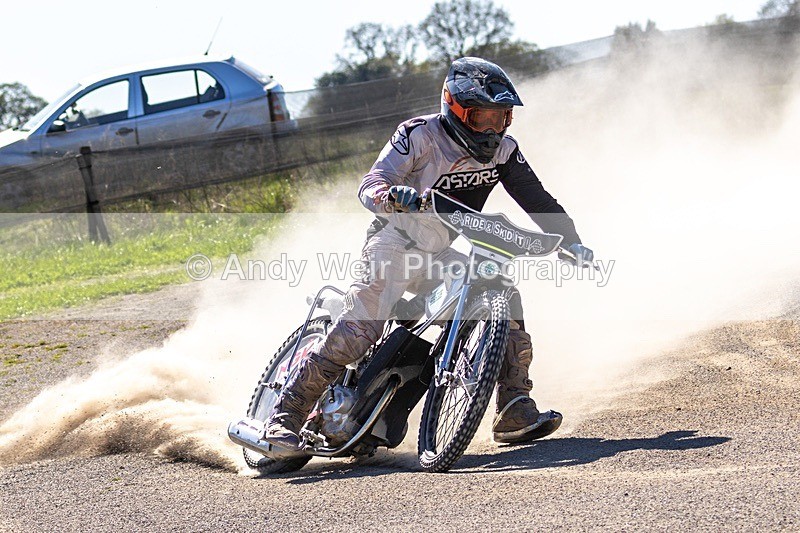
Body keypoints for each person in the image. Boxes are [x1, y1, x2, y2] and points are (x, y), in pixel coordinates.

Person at [265, 57, 594, 449]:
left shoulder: (505, 151)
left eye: (501, 118)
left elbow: (536, 198)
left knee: (503, 291)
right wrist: (390, 195)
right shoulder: (418, 135)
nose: (491, 130)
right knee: (361, 330)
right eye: (481, 118)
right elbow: (372, 182)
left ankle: (514, 406)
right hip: (393, 241)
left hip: (438, 254)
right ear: (454, 109)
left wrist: (569, 240)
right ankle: (285, 415)